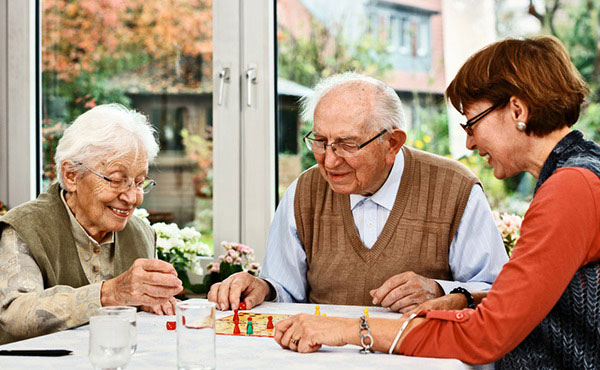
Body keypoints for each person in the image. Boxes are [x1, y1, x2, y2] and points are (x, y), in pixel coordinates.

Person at [273, 36, 600, 368]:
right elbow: (533, 297)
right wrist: (462, 296)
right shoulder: (583, 173)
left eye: (472, 123)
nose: (470, 143)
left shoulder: (570, 190)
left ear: (517, 110)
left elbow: (485, 337)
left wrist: (347, 329)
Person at [209, 72, 507, 313]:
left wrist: (439, 290)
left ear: (392, 144)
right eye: (320, 141)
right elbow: (286, 290)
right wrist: (263, 288)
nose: (329, 159)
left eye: (347, 144)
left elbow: (496, 289)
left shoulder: (454, 188)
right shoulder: (304, 192)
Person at [0, 104, 183, 344]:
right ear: (71, 176)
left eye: (139, 183)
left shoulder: (142, 233)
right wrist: (110, 294)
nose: (132, 198)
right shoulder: (23, 228)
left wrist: (154, 303)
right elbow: (13, 315)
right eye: (117, 180)